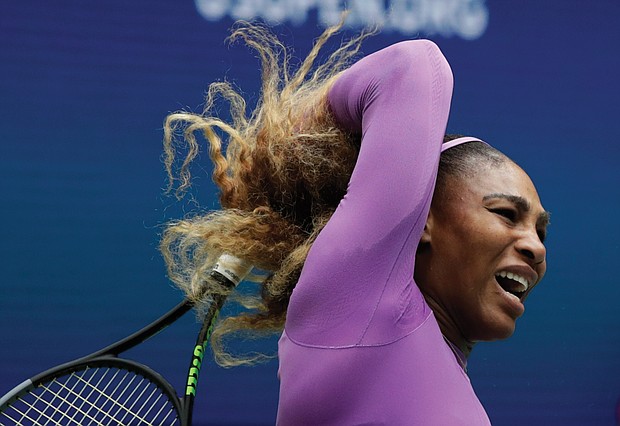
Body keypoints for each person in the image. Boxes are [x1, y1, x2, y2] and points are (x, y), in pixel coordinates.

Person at [161, 19, 549, 425]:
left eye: (541, 231)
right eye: (505, 214)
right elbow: (410, 68)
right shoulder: (361, 308)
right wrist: (283, 158)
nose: (536, 248)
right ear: (423, 217)